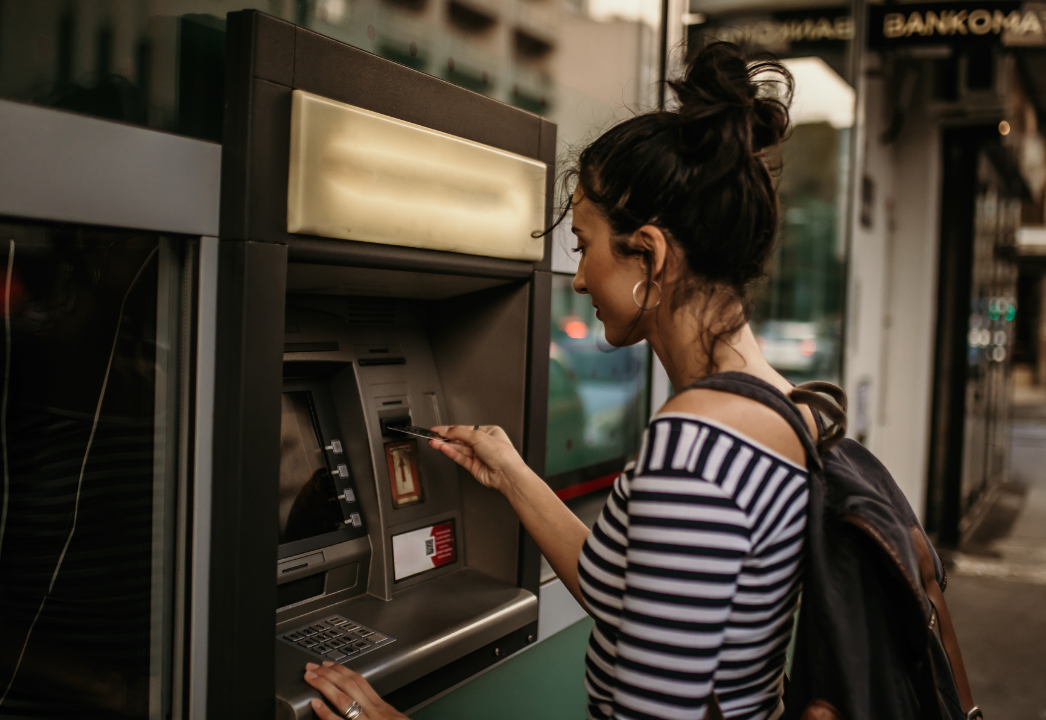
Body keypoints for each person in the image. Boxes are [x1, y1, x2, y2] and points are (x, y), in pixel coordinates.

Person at [301, 43, 973, 720]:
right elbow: (629, 596)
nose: (584, 277)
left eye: (587, 244)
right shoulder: (782, 409)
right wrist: (509, 471)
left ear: (648, 254)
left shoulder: (692, 453)